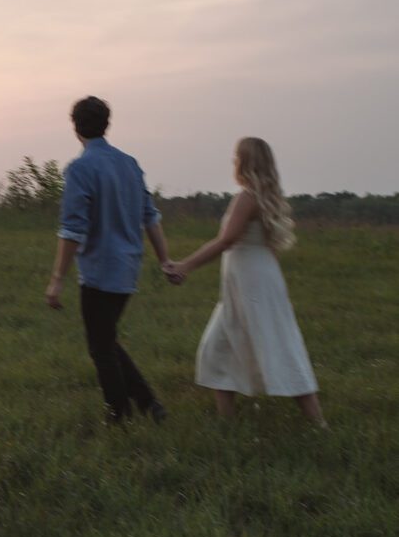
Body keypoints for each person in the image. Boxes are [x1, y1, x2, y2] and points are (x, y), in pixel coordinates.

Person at [166, 137, 327, 428]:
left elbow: (227, 239)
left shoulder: (247, 197)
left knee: (279, 346)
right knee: (219, 347)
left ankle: (318, 424)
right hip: (251, 280)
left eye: (235, 157)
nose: (232, 161)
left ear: (245, 162)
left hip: (252, 282)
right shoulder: (266, 195)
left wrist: (186, 265)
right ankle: (227, 423)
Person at [46, 96, 175, 424]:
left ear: (76, 128)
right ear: (107, 124)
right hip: (128, 268)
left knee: (100, 347)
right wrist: (165, 260)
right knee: (106, 339)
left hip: (99, 270)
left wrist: (57, 279)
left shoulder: (80, 169)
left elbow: (73, 229)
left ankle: (119, 415)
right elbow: (150, 216)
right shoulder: (129, 164)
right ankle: (149, 404)